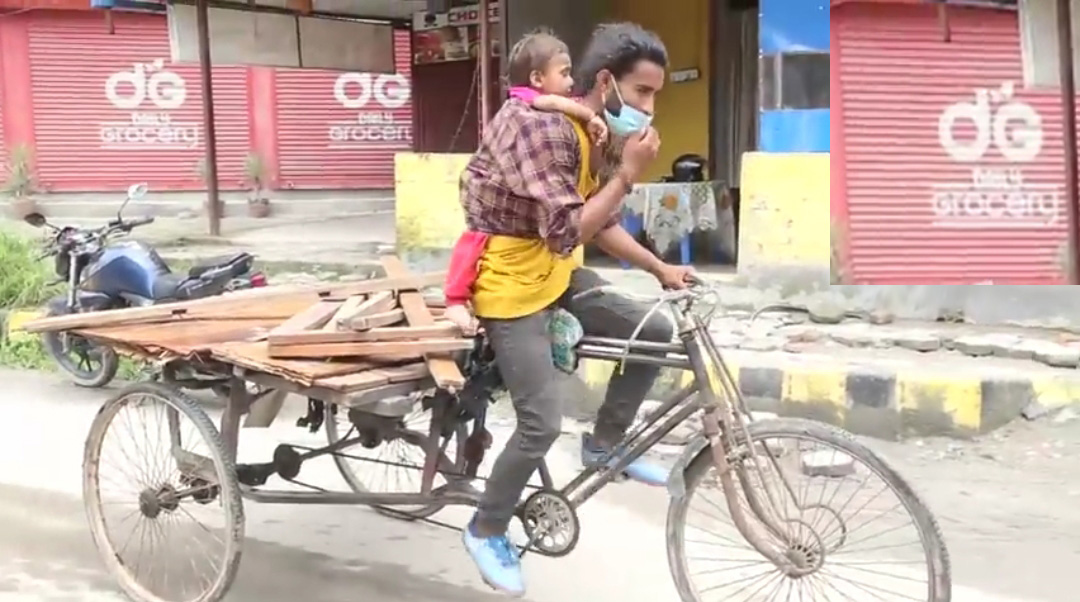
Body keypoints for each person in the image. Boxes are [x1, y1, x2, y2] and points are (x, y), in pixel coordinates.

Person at [456, 22, 693, 597]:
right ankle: (486, 529)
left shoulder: (595, 130)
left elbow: (600, 220)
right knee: (541, 423)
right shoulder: (545, 131)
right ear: (606, 83)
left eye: (656, 95)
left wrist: (659, 269)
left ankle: (605, 443)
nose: (649, 108)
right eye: (641, 92)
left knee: (654, 332)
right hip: (511, 283)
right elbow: (568, 230)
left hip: (557, 272)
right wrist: (629, 174)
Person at [443, 29, 608, 335]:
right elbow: (559, 104)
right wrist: (591, 116)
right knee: (470, 253)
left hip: (528, 247)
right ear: (537, 79)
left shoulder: (535, 108)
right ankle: (454, 304)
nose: (571, 82)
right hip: (491, 213)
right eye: (564, 73)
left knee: (471, 251)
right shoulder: (532, 110)